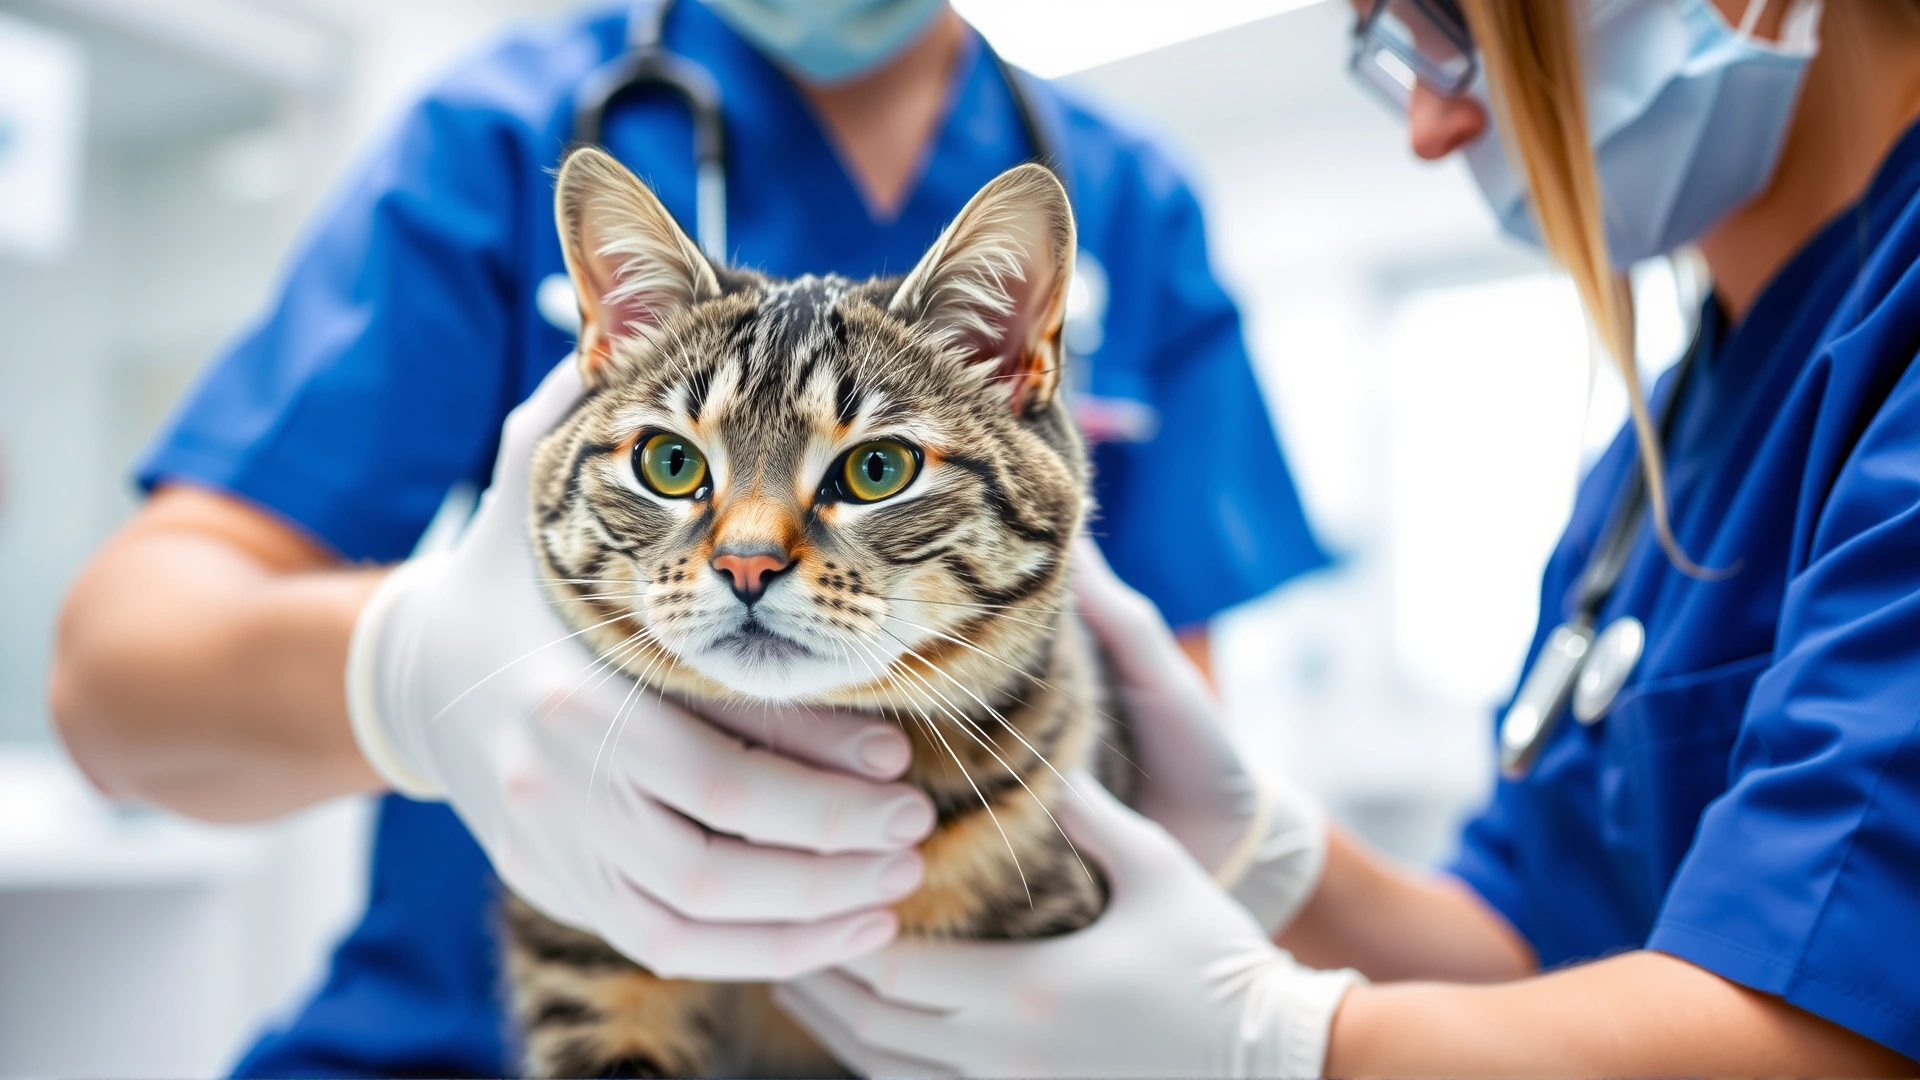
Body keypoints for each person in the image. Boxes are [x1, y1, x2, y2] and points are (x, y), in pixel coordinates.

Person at [47, 0, 1324, 1074]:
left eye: (874, 470)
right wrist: (407, 674)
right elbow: (109, 683)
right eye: (676, 464)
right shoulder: (508, 125)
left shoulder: (1132, 196)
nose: (751, 552)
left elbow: (1160, 774)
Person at [778, 0, 1920, 1074]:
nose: (1430, 125)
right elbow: (1531, 942)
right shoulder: (1653, 465)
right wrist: (1270, 853)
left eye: (1445, 28)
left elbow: (1838, 1023)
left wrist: (1287, 1045)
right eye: (1390, 53)